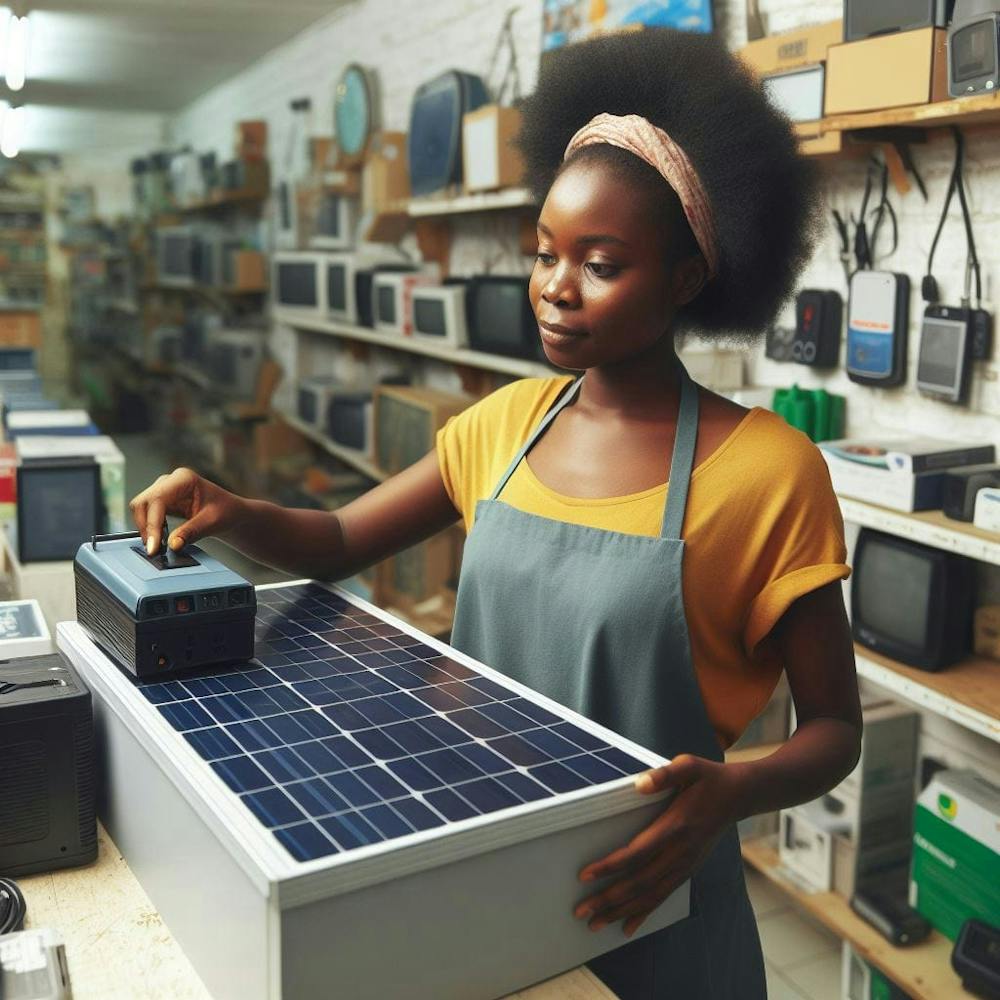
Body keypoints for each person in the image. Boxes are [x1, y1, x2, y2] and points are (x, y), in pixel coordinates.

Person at [131, 29, 862, 999]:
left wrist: (730, 792)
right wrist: (232, 509)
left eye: (601, 264)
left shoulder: (769, 471)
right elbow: (345, 538)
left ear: (686, 281)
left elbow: (833, 729)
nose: (555, 289)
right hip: (481, 873)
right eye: (545, 253)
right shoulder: (504, 425)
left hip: (652, 891)